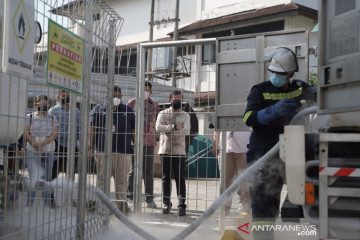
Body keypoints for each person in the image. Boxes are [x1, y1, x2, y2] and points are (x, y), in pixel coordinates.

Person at [243, 47, 317, 239]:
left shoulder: (299, 88)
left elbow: (316, 95)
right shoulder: (259, 90)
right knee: (264, 205)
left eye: (281, 74)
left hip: (294, 151)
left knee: (306, 195)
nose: (275, 76)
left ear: (290, 74)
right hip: (264, 153)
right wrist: (272, 111)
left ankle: (299, 232)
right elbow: (248, 118)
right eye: (273, 72)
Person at [88, 86, 135, 214]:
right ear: (107, 97)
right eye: (112, 96)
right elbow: (92, 129)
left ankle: (120, 208)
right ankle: (102, 206)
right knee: (102, 180)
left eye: (117, 96)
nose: (115, 98)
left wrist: (135, 146)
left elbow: (133, 131)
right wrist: (90, 147)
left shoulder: (128, 110)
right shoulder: (98, 109)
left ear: (121, 97)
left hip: (123, 151)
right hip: (104, 151)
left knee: (122, 181)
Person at [155, 90, 190, 216]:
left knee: (180, 178)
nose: (177, 102)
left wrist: (167, 128)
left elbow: (186, 131)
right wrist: (175, 127)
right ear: (170, 100)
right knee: (166, 178)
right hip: (165, 150)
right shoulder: (163, 113)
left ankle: (181, 205)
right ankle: (166, 203)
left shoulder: (185, 115)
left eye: (179, 100)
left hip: (179, 151)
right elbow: (158, 128)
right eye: (175, 100)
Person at [127, 81, 159, 208]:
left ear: (150, 92)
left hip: (149, 142)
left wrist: (155, 138)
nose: (144, 93)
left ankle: (149, 199)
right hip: (135, 142)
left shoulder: (155, 105)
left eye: (147, 90)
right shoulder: (132, 103)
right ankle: (130, 196)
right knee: (133, 170)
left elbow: (155, 123)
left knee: (148, 171)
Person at [25, 95, 59, 208]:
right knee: (33, 178)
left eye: (45, 105)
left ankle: (46, 205)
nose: (44, 107)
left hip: (48, 151)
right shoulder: (29, 117)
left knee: (47, 179)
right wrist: (35, 145)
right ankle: (28, 206)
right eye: (41, 105)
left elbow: (54, 134)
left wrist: (42, 144)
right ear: (35, 105)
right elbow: (26, 133)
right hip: (32, 151)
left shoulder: (53, 118)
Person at [212, 131, 251, 215]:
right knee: (225, 181)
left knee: (244, 181)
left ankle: (244, 209)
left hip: (244, 147)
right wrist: (215, 144)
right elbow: (217, 126)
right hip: (225, 147)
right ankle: (224, 208)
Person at [49, 90, 80, 179]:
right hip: (57, 144)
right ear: (58, 97)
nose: (66, 98)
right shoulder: (53, 111)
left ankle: (69, 192)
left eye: (68, 96)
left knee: (71, 172)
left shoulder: (76, 111)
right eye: (64, 96)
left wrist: (80, 143)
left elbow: (79, 129)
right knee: (54, 171)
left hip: (72, 145)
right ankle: (51, 192)